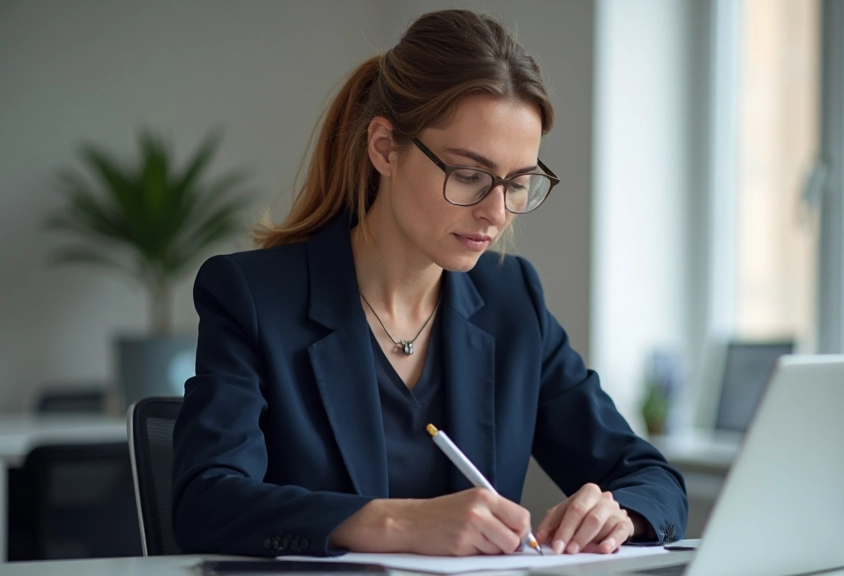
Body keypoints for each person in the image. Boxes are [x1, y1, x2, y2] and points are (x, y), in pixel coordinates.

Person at [171, 8, 687, 558]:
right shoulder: (253, 298)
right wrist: (398, 523)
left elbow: (652, 479)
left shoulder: (512, 301)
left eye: (517, 183)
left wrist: (619, 513)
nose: (496, 213)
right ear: (384, 148)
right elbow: (206, 502)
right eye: (469, 175)